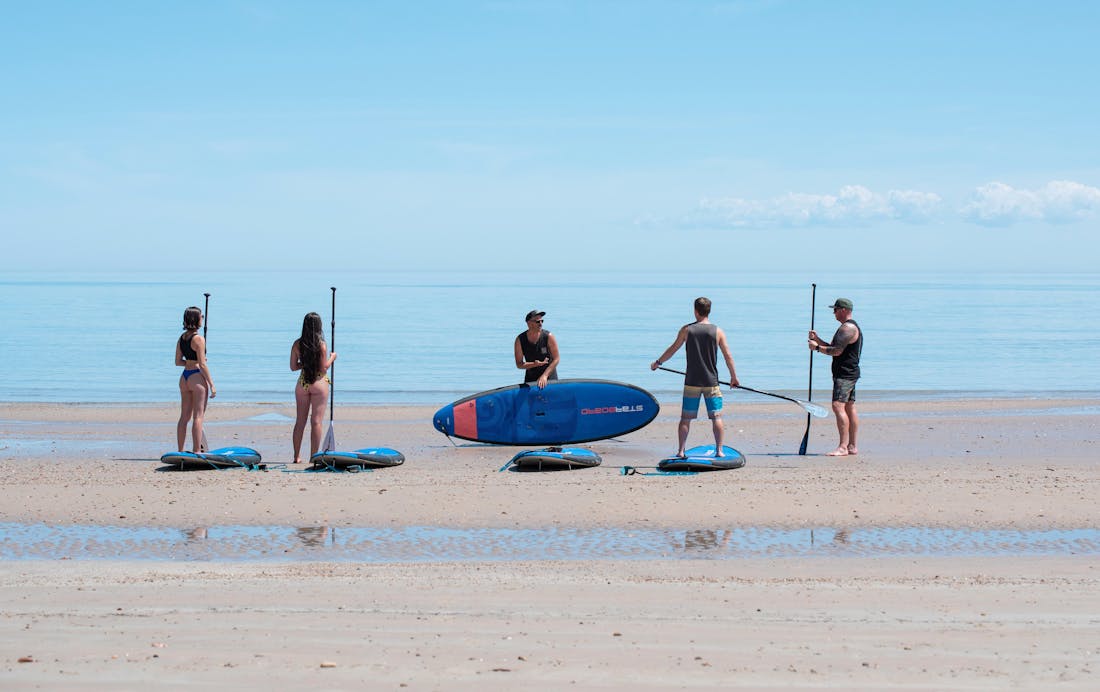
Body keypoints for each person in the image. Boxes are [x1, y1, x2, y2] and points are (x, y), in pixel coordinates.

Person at [650, 297, 739, 457]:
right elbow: (728, 356)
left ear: (695, 311)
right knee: (716, 417)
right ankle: (719, 451)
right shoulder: (718, 331)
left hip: (692, 382)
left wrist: (658, 362)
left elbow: (672, 349)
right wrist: (734, 377)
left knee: (686, 418)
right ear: (709, 311)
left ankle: (681, 451)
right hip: (711, 382)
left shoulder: (686, 330)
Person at [808, 297, 863, 456]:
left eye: (836, 310)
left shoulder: (848, 329)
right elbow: (835, 348)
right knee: (849, 406)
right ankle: (852, 446)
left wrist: (817, 348)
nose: (834, 313)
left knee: (838, 406)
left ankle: (843, 447)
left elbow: (836, 351)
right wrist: (818, 340)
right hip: (849, 373)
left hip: (845, 374)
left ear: (844, 310)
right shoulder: (847, 328)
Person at [290, 312, 337, 463]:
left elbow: (293, 367)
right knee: (316, 422)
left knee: (300, 421)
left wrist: (305, 364)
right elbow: (323, 369)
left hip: (303, 383)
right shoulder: (321, 344)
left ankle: (296, 456)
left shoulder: (297, 344)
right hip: (319, 383)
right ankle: (313, 457)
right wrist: (332, 357)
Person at [175, 306, 216, 453]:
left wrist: (191, 361)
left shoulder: (182, 338)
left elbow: (178, 361)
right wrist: (212, 384)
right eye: (201, 317)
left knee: (184, 417)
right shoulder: (198, 339)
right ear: (196, 319)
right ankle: (197, 450)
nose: (202, 319)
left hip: (184, 378)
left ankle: (180, 450)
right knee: (198, 416)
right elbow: (203, 365)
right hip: (196, 377)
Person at [515, 309, 560, 388]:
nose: (541, 324)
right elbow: (519, 364)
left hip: (549, 377)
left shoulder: (548, 336)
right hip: (531, 378)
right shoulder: (520, 340)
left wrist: (545, 376)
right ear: (529, 323)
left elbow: (556, 359)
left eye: (542, 321)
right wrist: (534, 364)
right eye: (537, 322)